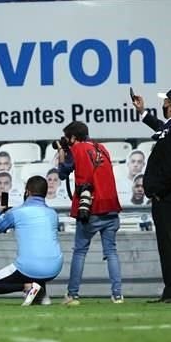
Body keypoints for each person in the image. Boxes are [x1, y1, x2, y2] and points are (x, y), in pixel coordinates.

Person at [133, 88, 171, 303]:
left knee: (168, 244)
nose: (164, 104)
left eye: (166, 101)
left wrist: (156, 192)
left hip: (168, 195)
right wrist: (143, 113)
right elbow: (163, 129)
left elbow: (170, 167)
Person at [56, 121, 123, 305]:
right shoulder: (102, 148)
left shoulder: (76, 150)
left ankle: (72, 295)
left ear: (73, 138)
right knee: (111, 252)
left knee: (80, 252)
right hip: (111, 207)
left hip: (90, 209)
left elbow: (62, 173)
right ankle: (117, 295)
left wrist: (62, 152)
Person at [0, 176, 63, 306]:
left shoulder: (16, 212)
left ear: (27, 192)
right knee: (40, 254)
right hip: (55, 267)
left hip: (28, 267)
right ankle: (41, 294)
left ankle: (28, 287)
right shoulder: (53, 214)